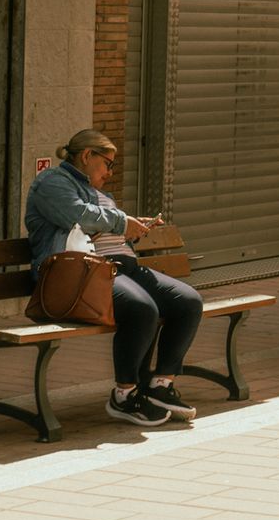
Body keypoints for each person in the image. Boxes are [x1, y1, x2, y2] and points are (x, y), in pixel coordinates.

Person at [25, 129, 203, 428]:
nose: (110, 172)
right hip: (80, 273)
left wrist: (134, 226)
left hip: (123, 266)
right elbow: (77, 214)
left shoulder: (102, 195)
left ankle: (159, 385)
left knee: (186, 301)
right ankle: (125, 395)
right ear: (86, 156)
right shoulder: (52, 182)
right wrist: (122, 222)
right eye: (108, 163)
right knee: (142, 308)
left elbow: (103, 222)